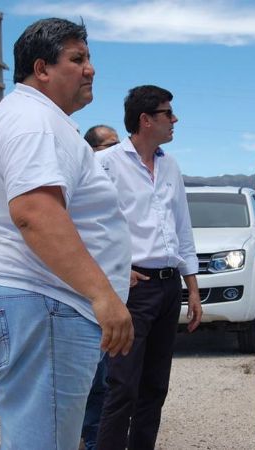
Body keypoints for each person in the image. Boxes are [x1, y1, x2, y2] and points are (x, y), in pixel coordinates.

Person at [0, 18, 134, 449]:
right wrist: (102, 295)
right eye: (78, 59)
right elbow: (34, 212)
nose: (90, 69)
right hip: (39, 300)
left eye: (89, 58)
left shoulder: (27, 118)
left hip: (24, 300)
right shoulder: (35, 121)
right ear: (42, 68)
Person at [95, 85, 202, 450]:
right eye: (167, 113)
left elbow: (182, 227)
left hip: (169, 286)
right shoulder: (106, 163)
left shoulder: (171, 165)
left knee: (155, 387)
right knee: (122, 386)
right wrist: (115, 269)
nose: (175, 120)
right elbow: (86, 224)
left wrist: (192, 287)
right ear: (145, 119)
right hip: (132, 289)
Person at [80, 123, 120, 450]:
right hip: (84, 298)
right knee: (87, 380)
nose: (116, 152)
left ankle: (95, 440)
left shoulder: (116, 189)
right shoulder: (79, 190)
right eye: (109, 146)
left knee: (107, 380)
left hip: (115, 297)